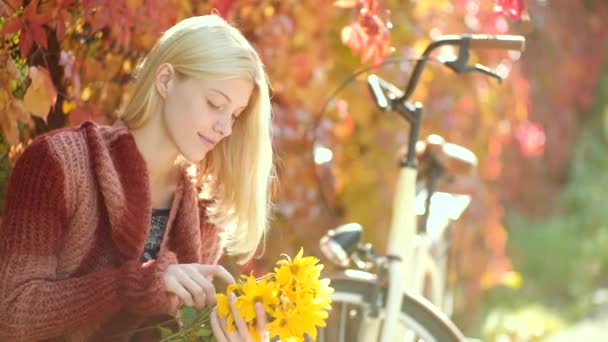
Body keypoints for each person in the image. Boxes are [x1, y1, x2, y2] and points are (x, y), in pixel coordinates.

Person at [0, 14, 274, 342]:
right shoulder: (58, 164)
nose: (225, 127)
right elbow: (12, 313)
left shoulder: (204, 205)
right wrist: (132, 284)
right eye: (215, 103)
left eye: (235, 115)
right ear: (166, 80)